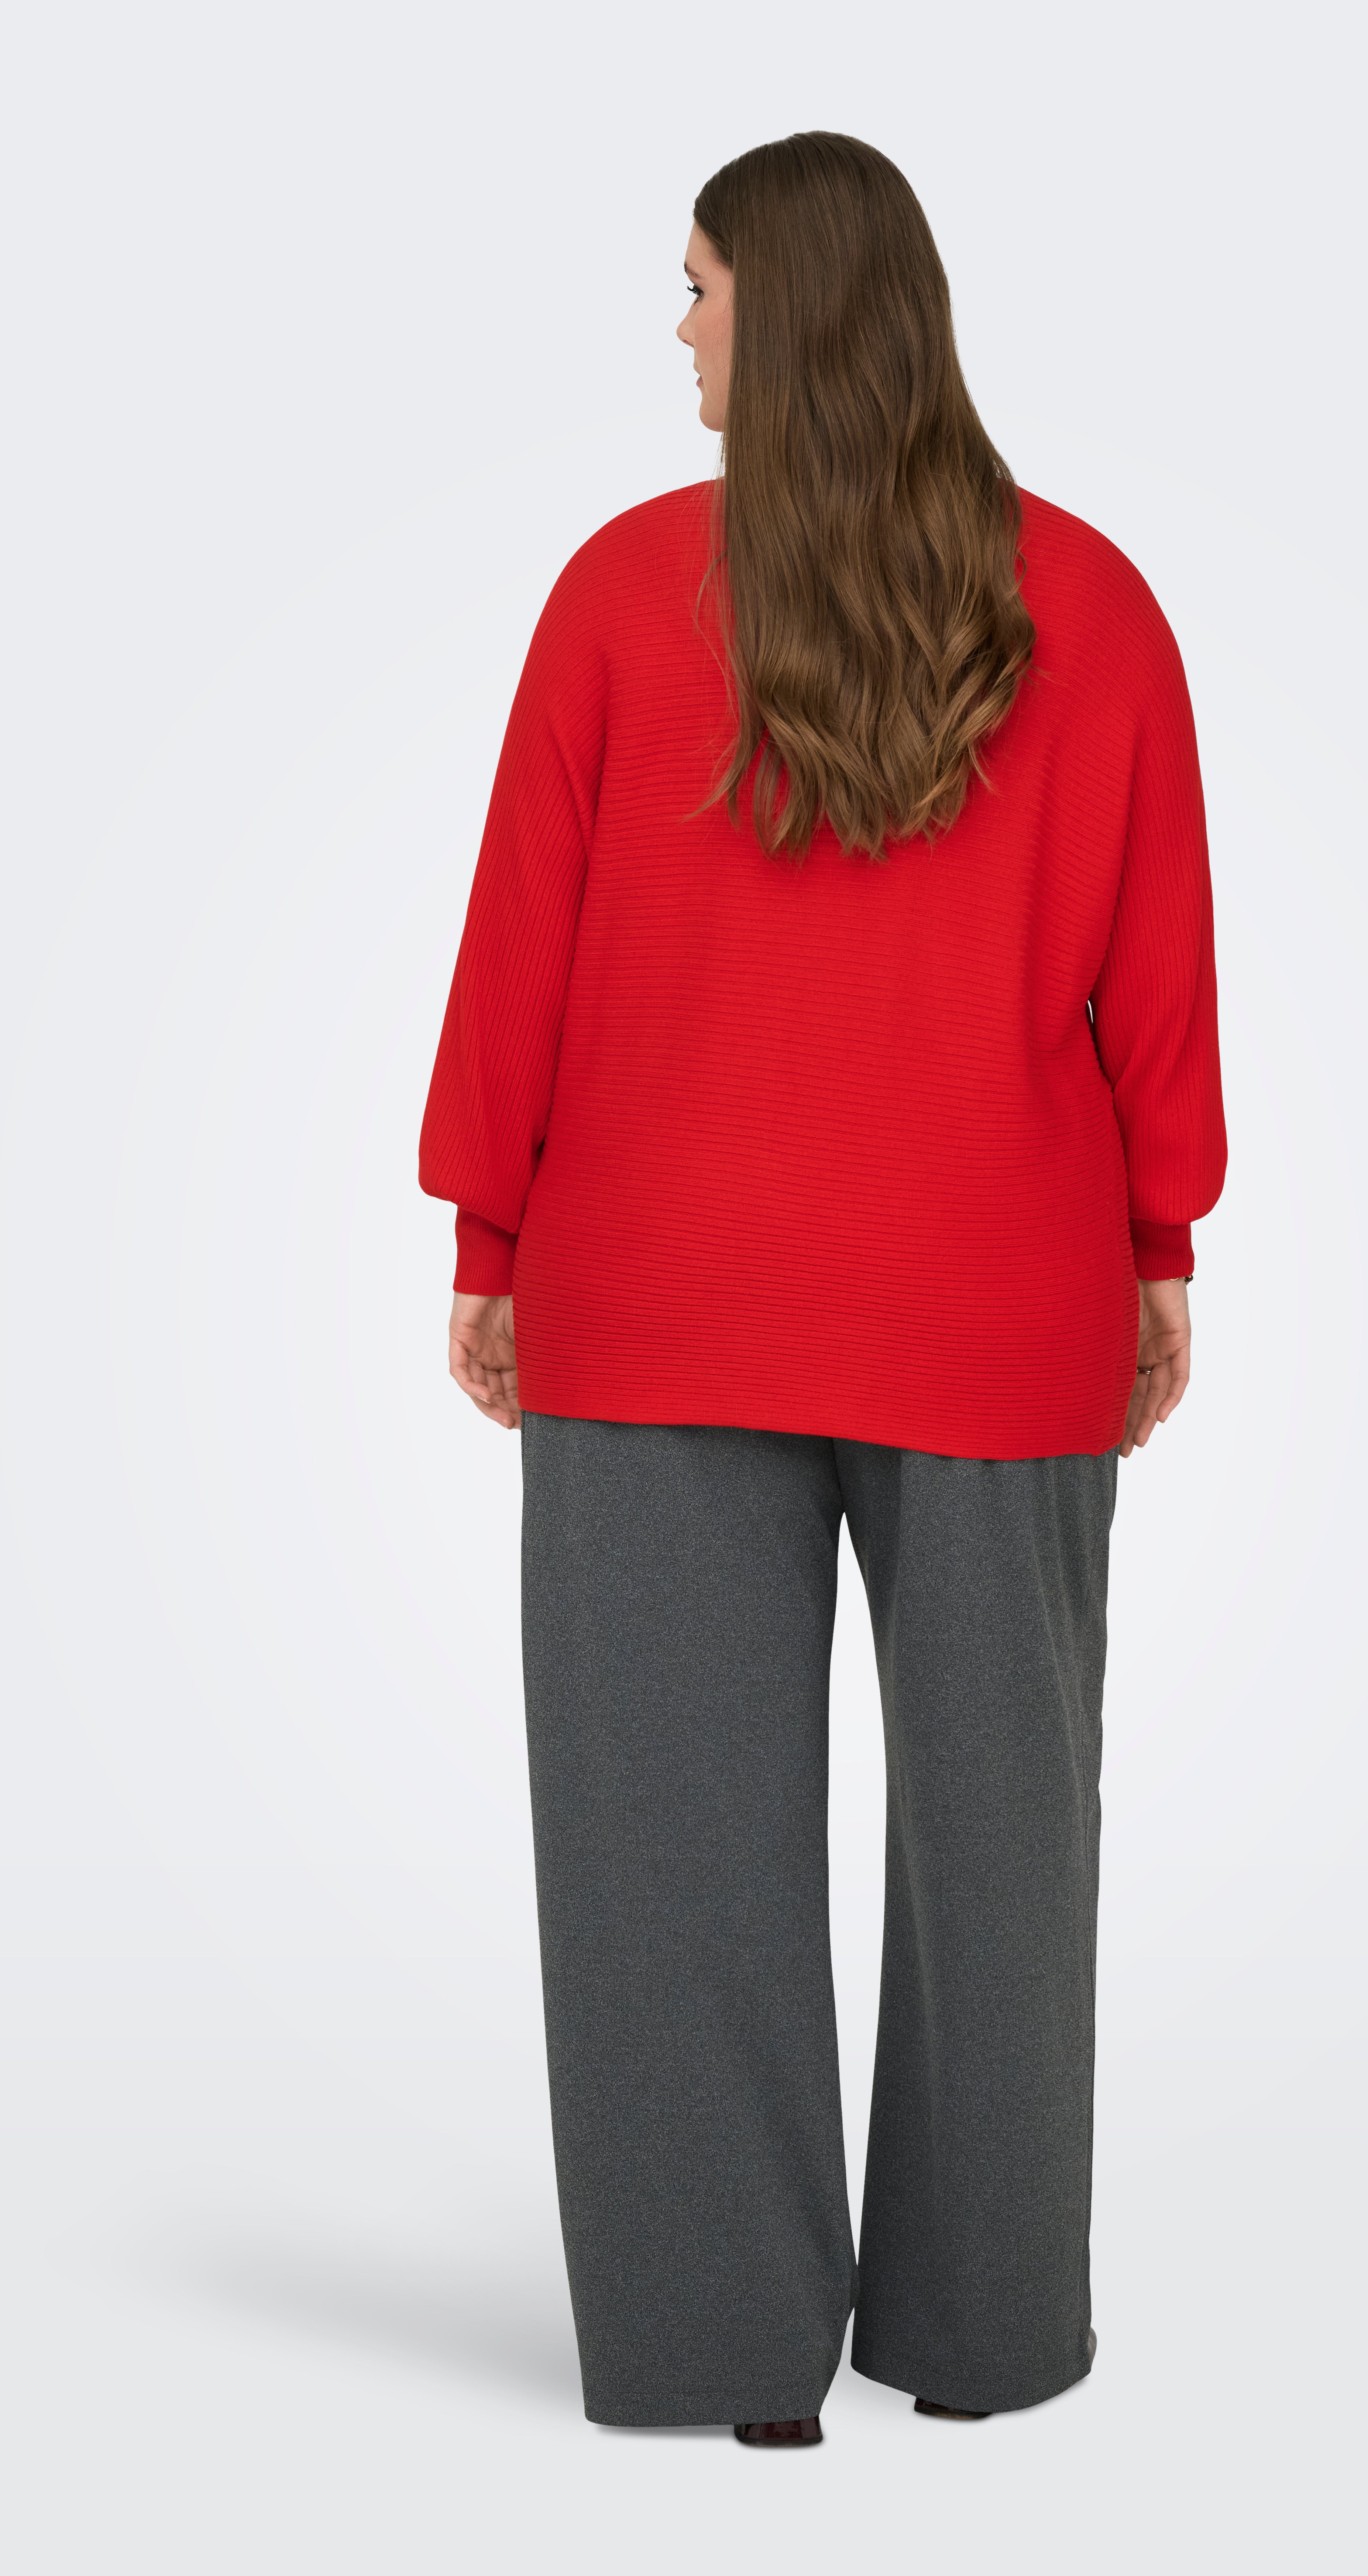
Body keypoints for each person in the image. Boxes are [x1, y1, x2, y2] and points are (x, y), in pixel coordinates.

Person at [418, 130, 1226, 2446]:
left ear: (780, 307)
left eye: (693, 285)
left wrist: (491, 1238)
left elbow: (519, 957)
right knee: (1003, 1847)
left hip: (655, 1303)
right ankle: (977, 2339)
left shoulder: (614, 598)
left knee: (668, 1853)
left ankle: (722, 2353)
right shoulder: (1093, 604)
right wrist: (1155, 1239)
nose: (674, 327)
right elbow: (1156, 976)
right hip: (996, 1301)